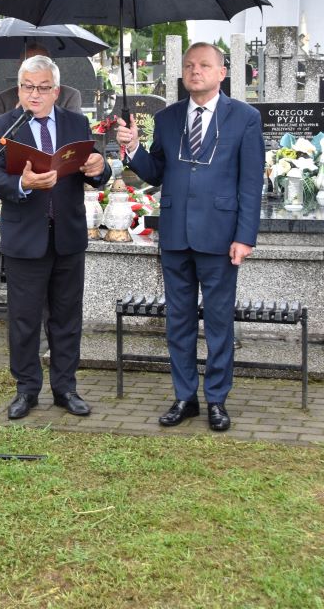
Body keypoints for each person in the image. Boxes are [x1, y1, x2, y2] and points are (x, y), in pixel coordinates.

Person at [115, 42, 264, 431]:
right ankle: (185, 397)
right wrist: (133, 147)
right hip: (176, 236)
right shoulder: (167, 118)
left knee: (218, 323)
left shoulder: (244, 118)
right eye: (189, 65)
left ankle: (217, 399)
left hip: (220, 236)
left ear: (221, 73)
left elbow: (251, 183)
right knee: (178, 322)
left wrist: (245, 237)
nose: (195, 71)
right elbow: (156, 172)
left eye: (204, 65)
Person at [0, 55, 110, 419]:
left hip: (67, 236)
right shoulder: (2, 127)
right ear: (19, 89)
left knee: (67, 318)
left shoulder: (76, 122)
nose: (34, 95)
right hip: (25, 238)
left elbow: (95, 172)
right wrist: (22, 183)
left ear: (56, 91)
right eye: (27, 87)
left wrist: (99, 167)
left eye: (42, 88)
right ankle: (26, 389)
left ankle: (66, 388)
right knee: (24, 320)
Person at [0, 45, 83, 115]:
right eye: (30, 63)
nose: (36, 67)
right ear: (20, 66)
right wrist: (17, 116)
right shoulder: (4, 99)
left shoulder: (69, 96)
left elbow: (75, 128)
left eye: (41, 62)